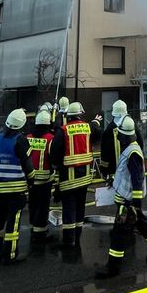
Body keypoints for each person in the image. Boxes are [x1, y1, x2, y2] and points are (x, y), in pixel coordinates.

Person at [95, 115, 147, 278]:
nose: (118, 138)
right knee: (142, 225)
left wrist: (135, 203)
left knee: (118, 233)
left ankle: (113, 268)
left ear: (126, 136)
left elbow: (137, 179)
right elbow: (126, 174)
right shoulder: (130, 148)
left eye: (120, 135)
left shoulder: (132, 152)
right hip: (128, 200)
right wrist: (114, 180)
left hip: (127, 203)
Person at [0, 108, 33, 264]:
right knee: (13, 225)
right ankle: (11, 255)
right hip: (16, 190)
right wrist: (32, 180)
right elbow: (27, 164)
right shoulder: (20, 140)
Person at [50, 101, 93, 248]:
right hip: (85, 177)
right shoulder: (87, 128)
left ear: (68, 115)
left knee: (68, 208)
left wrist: (55, 166)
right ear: (80, 114)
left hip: (69, 178)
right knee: (80, 207)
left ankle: (69, 240)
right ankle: (78, 236)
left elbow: (54, 153)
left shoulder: (63, 130)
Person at [27, 108, 56, 243]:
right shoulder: (50, 139)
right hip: (45, 180)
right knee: (43, 206)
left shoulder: (28, 137)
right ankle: (40, 233)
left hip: (31, 179)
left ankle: (33, 226)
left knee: (32, 203)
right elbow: (54, 160)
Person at [98, 100, 141, 182]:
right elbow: (140, 144)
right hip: (132, 171)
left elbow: (105, 154)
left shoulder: (108, 130)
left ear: (113, 114)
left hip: (115, 174)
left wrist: (104, 171)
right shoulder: (132, 125)